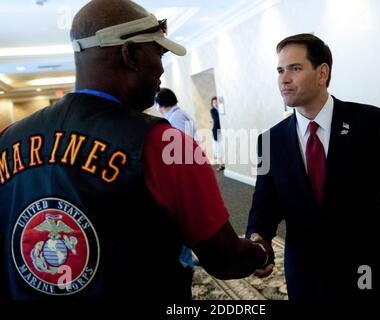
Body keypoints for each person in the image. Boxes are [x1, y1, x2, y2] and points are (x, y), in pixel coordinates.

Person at [0, 0, 273, 300]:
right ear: (130, 54)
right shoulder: (164, 143)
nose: (160, 70)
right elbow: (224, 258)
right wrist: (261, 252)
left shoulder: (8, 138)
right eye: (158, 52)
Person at [246, 33, 380, 300]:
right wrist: (258, 240)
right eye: (280, 70)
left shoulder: (372, 123)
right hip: (306, 278)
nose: (283, 79)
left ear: (322, 73)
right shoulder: (269, 141)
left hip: (369, 274)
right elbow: (264, 204)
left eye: (295, 69)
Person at [155, 88, 198, 275]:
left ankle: (185, 261)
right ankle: (186, 258)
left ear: (161, 104)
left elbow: (177, 149)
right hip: (186, 169)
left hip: (181, 173)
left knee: (180, 219)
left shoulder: (176, 119)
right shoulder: (181, 114)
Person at [210, 96, 225, 171]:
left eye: (216, 102)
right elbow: (216, 119)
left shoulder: (220, 109)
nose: (215, 103)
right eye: (214, 102)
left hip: (221, 130)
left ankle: (223, 163)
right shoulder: (212, 110)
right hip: (216, 130)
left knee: (222, 146)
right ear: (212, 103)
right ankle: (221, 164)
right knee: (218, 147)